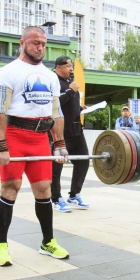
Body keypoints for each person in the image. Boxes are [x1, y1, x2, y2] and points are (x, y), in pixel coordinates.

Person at [0, 26, 69, 267]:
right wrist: (1, 145)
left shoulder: (51, 76)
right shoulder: (7, 72)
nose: (40, 47)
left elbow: (56, 113)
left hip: (39, 138)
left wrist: (60, 143)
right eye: (35, 43)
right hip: (14, 135)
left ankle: (47, 242)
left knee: (44, 190)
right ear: (22, 43)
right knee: (10, 188)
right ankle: (1, 245)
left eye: (44, 44)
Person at [50, 55, 90, 212]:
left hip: (76, 130)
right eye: (68, 66)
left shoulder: (70, 84)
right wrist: (69, 91)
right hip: (60, 132)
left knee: (83, 162)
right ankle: (56, 198)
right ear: (59, 67)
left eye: (72, 66)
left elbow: (69, 106)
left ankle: (74, 195)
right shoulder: (53, 82)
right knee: (57, 166)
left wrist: (80, 109)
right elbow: (55, 103)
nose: (71, 69)